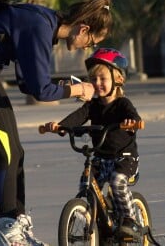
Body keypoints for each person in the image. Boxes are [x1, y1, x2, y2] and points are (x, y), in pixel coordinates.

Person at [0, 0, 113, 246]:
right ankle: (8, 232)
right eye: (91, 42)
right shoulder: (41, 26)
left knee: (16, 152)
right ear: (84, 29)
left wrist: (68, 87)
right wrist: (79, 91)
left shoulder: (44, 23)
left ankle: (17, 225)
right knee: (7, 154)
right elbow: (41, 92)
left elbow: (28, 83)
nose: (86, 48)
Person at [43, 48, 142, 239]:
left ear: (118, 79)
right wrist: (60, 126)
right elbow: (79, 116)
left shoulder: (123, 104)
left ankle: (130, 220)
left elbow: (133, 118)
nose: (97, 83)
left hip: (125, 158)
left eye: (102, 79)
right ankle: (98, 223)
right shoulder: (93, 105)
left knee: (117, 181)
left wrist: (132, 124)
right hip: (101, 157)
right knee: (86, 184)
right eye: (93, 79)